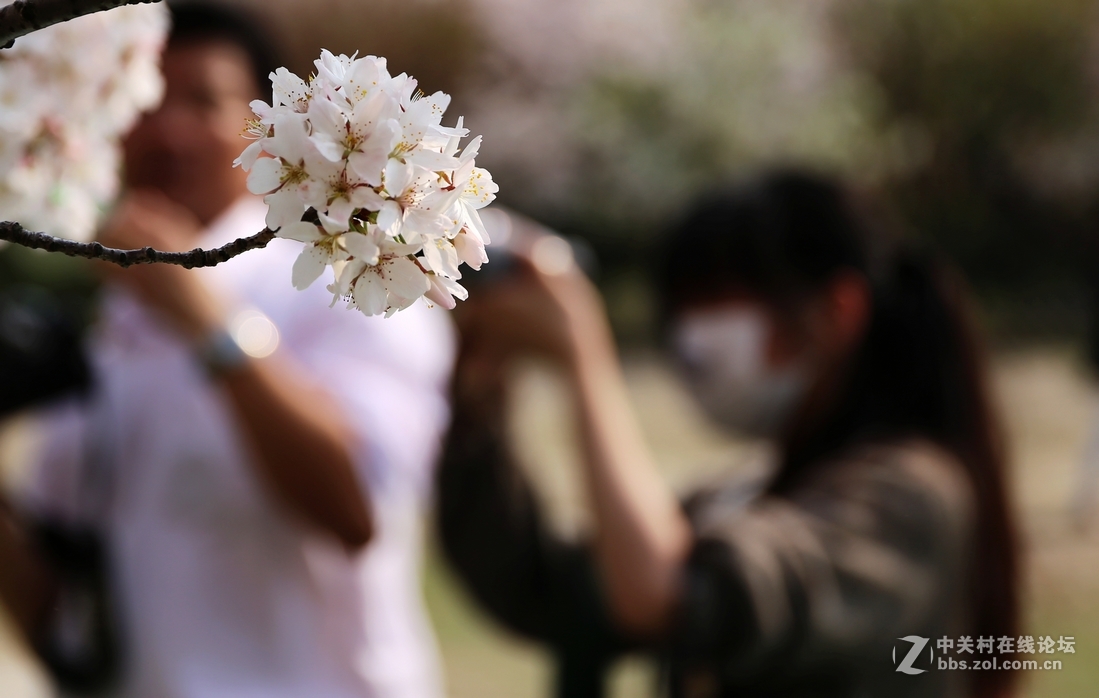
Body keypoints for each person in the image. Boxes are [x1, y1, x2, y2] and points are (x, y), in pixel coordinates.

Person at [0, 4, 455, 697]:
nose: (168, 128)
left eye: (203, 101)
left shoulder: (346, 278)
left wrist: (204, 319)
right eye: (149, 95)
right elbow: (57, 596)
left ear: (276, 137)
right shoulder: (116, 317)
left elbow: (355, 509)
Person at [437, 171, 1019, 698]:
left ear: (837, 311)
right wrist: (478, 394)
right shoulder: (750, 493)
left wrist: (585, 360)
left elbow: (666, 595)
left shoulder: (910, 499)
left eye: (716, 303)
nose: (692, 336)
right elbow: (546, 592)